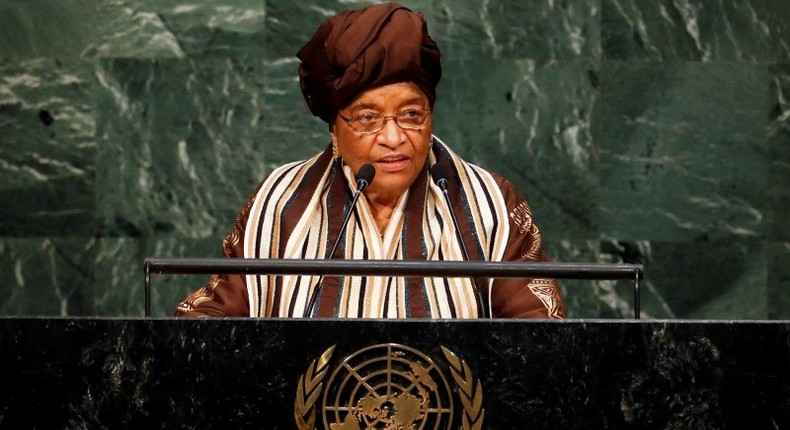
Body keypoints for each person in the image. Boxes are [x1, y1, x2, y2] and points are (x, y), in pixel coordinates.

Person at [175, 2, 565, 319]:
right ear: (334, 129)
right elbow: (208, 330)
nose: (394, 138)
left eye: (412, 115)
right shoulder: (280, 203)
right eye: (367, 118)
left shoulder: (489, 203)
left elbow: (539, 341)